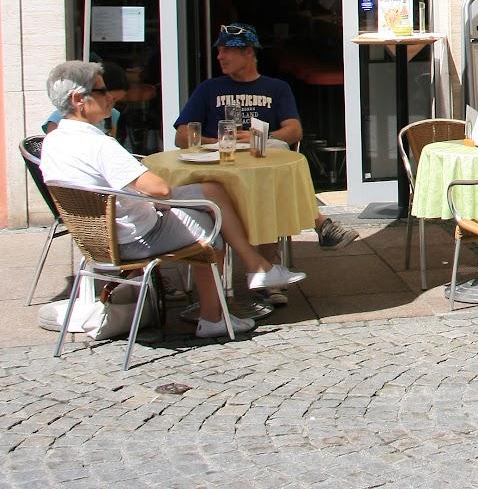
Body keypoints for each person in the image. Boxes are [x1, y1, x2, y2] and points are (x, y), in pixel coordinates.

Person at [40, 60, 305, 339]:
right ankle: (214, 317)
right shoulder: (99, 144)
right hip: (136, 237)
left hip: (99, 237)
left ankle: (257, 267)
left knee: (211, 190)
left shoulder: (54, 142)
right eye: (101, 91)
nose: (110, 97)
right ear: (78, 100)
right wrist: (157, 199)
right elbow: (160, 190)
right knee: (212, 222)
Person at [173, 23, 358, 301]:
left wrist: (258, 138)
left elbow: (294, 131)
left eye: (228, 50)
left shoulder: (276, 88)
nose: (220, 56)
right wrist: (223, 142)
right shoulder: (209, 89)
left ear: (249, 53)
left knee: (273, 169)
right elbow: (182, 136)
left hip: (260, 172)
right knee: (272, 186)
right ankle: (319, 223)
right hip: (220, 175)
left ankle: (267, 277)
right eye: (219, 51)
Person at [44, 60, 128, 138]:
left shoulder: (113, 114)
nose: (111, 101)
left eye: (116, 101)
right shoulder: (62, 117)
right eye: (103, 92)